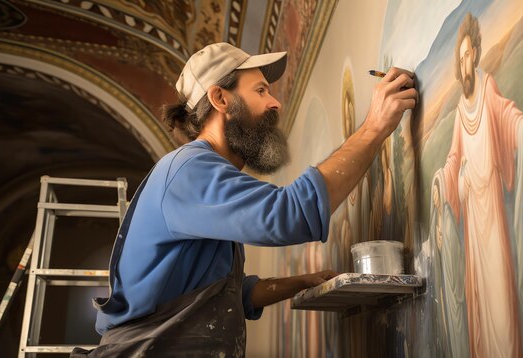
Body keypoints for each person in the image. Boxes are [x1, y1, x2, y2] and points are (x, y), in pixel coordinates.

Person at [72, 42, 417, 356]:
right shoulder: (189, 170)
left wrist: (303, 281)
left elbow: (228, 296)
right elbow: (291, 214)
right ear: (221, 99)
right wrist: (374, 127)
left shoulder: (204, 179)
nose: (275, 103)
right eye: (261, 90)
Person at [432, 13, 523, 358]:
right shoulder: (458, 112)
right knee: (480, 302)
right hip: (472, 225)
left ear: (477, 54)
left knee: (500, 297)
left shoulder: (487, 87)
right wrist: (440, 184)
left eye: (470, 55)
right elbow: (453, 160)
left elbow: (508, 117)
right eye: (461, 57)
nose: (466, 63)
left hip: (492, 212)